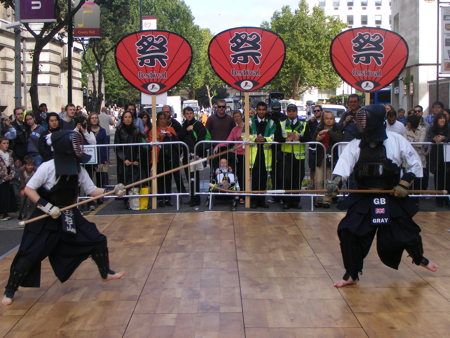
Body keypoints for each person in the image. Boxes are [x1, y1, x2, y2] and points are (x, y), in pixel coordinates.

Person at [1, 130, 125, 306]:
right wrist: (47, 206)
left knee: (96, 239)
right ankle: (10, 290)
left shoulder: (77, 168)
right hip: (45, 216)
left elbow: (91, 190)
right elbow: (29, 189)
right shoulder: (48, 167)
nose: (78, 147)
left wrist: (112, 191)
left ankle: (105, 273)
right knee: (29, 254)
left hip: (67, 214)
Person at [327, 104, 438, 288]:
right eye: (360, 120)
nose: (360, 123)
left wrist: (405, 183)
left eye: (365, 119)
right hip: (363, 196)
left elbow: (415, 164)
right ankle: (351, 274)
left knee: (407, 231)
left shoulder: (396, 140)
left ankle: (419, 258)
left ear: (376, 121)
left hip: (391, 194)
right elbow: (343, 167)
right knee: (347, 231)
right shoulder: (355, 144)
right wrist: (335, 183)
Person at [274, 104, 310, 209]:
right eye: (289, 111)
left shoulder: (303, 123)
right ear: (286, 112)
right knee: (286, 178)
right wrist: (285, 139)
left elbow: (308, 137)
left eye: (293, 111)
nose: (291, 113)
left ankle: (296, 201)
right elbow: (277, 137)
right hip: (286, 155)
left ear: (296, 112)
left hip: (299, 156)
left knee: (298, 178)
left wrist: (299, 137)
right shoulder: (282, 123)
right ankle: (286, 201)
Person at [249, 102, 277, 208]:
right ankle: (254, 201)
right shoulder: (250, 121)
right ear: (256, 110)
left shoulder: (271, 122)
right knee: (255, 178)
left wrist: (265, 139)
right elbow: (244, 135)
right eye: (259, 109)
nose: (261, 111)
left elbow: (273, 136)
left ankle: (262, 200)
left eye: (263, 109)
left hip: (265, 154)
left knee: (264, 178)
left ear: (266, 110)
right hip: (254, 154)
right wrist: (254, 139)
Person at [313, 110, 343, 208]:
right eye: (327, 118)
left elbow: (339, 138)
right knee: (318, 180)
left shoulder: (337, 127)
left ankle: (327, 200)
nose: (329, 121)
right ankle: (319, 199)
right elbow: (313, 139)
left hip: (331, 157)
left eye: (331, 119)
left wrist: (328, 131)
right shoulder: (319, 127)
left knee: (329, 180)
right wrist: (317, 138)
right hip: (320, 156)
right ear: (323, 119)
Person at [148, 112, 178, 207]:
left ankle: (167, 198)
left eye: (164, 118)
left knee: (168, 178)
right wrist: (158, 137)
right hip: (157, 157)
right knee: (159, 178)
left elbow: (176, 141)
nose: (162, 121)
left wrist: (170, 136)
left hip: (168, 157)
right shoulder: (154, 130)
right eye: (160, 118)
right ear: (157, 120)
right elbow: (150, 141)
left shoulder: (171, 129)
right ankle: (160, 198)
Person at [215, 110, 245, 203]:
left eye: (238, 116)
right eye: (235, 116)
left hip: (247, 154)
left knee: (247, 176)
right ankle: (241, 195)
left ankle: (247, 196)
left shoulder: (248, 127)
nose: (236, 118)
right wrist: (218, 145)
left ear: (242, 116)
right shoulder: (234, 129)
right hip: (238, 155)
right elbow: (228, 140)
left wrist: (238, 146)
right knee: (239, 175)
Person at [180, 106, 207, 207]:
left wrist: (198, 154)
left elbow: (201, 138)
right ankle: (192, 197)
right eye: (187, 113)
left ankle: (197, 199)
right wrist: (187, 129)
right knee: (189, 178)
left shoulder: (198, 124)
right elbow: (180, 136)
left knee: (195, 177)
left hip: (195, 155)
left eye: (191, 113)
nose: (189, 115)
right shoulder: (184, 125)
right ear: (184, 115)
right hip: (187, 155)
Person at [114, 111, 141, 206]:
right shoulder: (119, 130)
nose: (128, 119)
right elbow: (117, 147)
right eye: (125, 117)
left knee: (134, 180)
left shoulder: (136, 130)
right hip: (124, 160)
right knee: (124, 180)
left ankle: (133, 201)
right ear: (122, 119)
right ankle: (125, 201)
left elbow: (139, 146)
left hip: (134, 158)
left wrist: (137, 159)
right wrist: (124, 159)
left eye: (130, 117)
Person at [426, 112, 449, 207]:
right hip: (436, 155)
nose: (442, 120)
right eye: (440, 118)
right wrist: (436, 138)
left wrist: (444, 138)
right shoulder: (432, 128)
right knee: (438, 177)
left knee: (447, 177)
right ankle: (439, 199)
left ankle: (446, 198)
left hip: (447, 156)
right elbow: (431, 137)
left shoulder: (448, 128)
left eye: (444, 118)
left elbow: (448, 137)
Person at [405, 114, 428, 191]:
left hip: (420, 156)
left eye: (408, 122)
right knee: (410, 178)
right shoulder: (405, 130)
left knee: (419, 178)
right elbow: (405, 142)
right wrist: (415, 141)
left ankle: (417, 196)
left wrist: (411, 141)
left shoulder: (422, 129)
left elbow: (420, 144)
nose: (406, 123)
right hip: (409, 156)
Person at [305, 105, 323, 188]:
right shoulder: (311, 122)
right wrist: (309, 121)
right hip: (312, 147)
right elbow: (306, 131)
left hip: (322, 148)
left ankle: (322, 183)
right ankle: (312, 183)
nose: (316, 112)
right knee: (312, 167)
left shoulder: (324, 121)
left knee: (322, 166)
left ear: (321, 111)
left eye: (318, 110)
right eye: (315, 111)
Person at [0, 137, 17, 220]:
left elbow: (12, 166)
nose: (6, 145)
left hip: (8, 178)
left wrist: (12, 175)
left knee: (6, 195)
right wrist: (4, 176)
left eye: (7, 143)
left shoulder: (10, 153)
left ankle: (5, 212)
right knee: (2, 195)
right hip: (1, 178)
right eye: (4, 143)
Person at [18, 155, 36, 220]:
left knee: (32, 200)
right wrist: (23, 189)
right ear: (25, 165)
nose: (30, 167)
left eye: (32, 165)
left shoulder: (35, 170)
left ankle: (32, 214)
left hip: (33, 187)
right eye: (28, 165)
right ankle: (23, 214)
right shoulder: (21, 170)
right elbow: (22, 181)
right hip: (24, 186)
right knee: (23, 199)